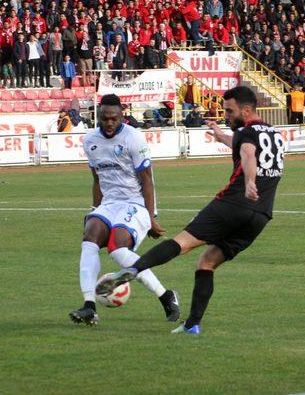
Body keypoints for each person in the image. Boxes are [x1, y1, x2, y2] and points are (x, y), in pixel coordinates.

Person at [96, 86, 285, 334]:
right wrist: (221, 137)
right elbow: (246, 146)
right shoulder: (273, 133)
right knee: (206, 262)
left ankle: (133, 269)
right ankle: (192, 325)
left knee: (182, 242)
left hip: (232, 204)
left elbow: (249, 154)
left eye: (230, 111)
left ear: (246, 110)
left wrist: (250, 181)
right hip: (260, 215)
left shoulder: (246, 133)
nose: (226, 115)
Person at [69, 94, 180, 326]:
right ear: (98, 116)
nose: (109, 123)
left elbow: (147, 181)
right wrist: (95, 210)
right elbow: (97, 179)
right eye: (104, 118)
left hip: (135, 203)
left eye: (114, 118)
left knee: (116, 249)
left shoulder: (133, 138)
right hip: (109, 203)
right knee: (89, 238)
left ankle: (166, 295)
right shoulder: (90, 140)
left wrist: (150, 218)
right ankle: (89, 306)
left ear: (122, 116)